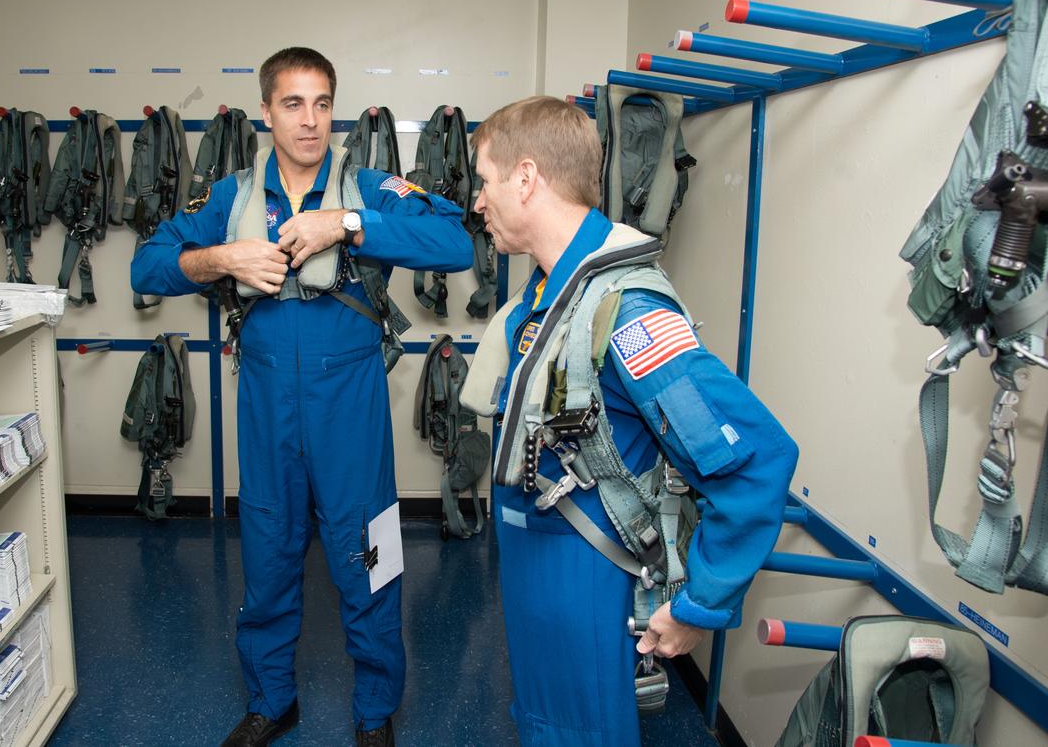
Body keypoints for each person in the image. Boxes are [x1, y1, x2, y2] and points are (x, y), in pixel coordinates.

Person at [130, 47, 472, 747]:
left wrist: (346, 224)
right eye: (293, 103)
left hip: (348, 409)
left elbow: (455, 243)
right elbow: (148, 263)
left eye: (321, 103)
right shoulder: (231, 197)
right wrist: (221, 257)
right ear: (267, 112)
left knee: (370, 556)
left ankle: (375, 711)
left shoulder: (371, 188)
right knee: (267, 552)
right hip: (264, 408)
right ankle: (270, 700)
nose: (309, 121)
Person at [464, 96, 799, 746]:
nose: (478, 201)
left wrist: (700, 602)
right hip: (535, 569)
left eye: (484, 181)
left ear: (525, 177)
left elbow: (755, 459)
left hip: (583, 572)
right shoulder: (543, 297)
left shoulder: (625, 312)